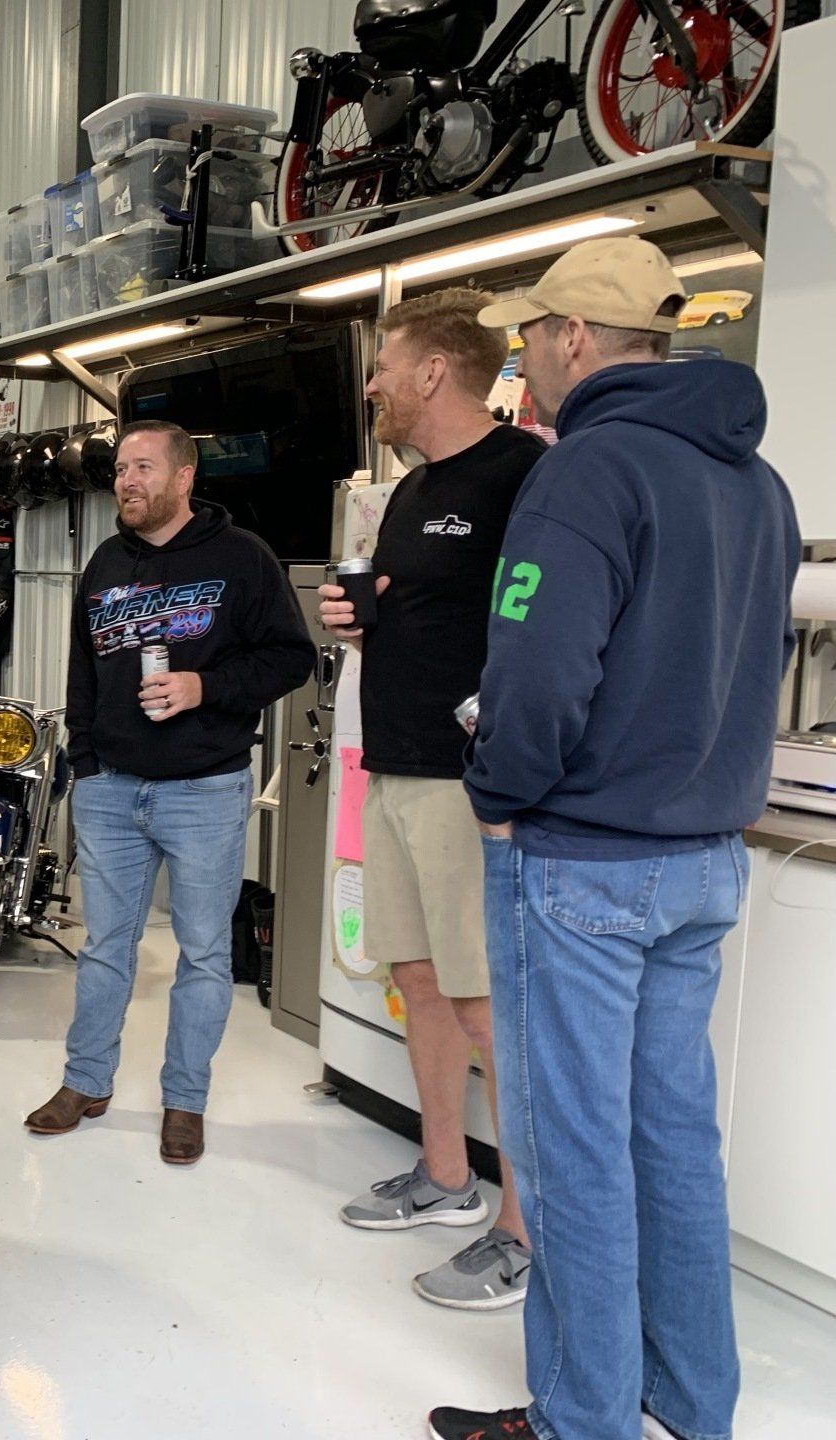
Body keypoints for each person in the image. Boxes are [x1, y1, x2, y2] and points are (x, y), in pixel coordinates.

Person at [429, 238, 799, 1440]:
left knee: (573, 1149)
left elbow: (538, 672)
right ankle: (691, 1405)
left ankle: (582, 1420)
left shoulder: (586, 469)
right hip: (704, 859)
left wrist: (499, 789)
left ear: (575, 338)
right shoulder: (758, 481)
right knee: (672, 1142)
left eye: (531, 334)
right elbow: (752, 665)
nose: (523, 358)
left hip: (584, 862)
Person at [318, 288, 544, 1311]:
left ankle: (525, 1230)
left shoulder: (524, 476)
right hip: (395, 764)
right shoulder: (411, 488)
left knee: (488, 1002)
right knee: (416, 975)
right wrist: (363, 620)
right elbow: (427, 612)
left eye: (384, 366)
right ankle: (448, 1175)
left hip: (470, 782)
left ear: (432, 372)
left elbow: (543, 626)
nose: (372, 384)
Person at [25, 420, 314, 1165]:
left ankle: (185, 1101)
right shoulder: (104, 561)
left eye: (144, 467)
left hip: (205, 790)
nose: (127, 480)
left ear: (185, 477)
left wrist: (203, 687)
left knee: (205, 954)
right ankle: (85, 1082)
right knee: (105, 949)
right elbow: (82, 670)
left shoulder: (242, 558)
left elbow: (291, 659)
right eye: (122, 468)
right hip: (111, 789)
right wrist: (86, 760)